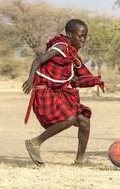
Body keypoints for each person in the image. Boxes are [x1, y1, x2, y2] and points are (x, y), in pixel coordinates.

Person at [22, 19, 104, 167]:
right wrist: (30, 79)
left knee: (84, 119)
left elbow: (66, 75)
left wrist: (90, 81)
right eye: (80, 36)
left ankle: (80, 160)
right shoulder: (61, 47)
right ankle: (35, 143)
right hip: (45, 92)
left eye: (85, 36)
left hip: (58, 93)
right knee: (70, 118)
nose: (83, 40)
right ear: (69, 34)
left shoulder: (72, 53)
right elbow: (38, 60)